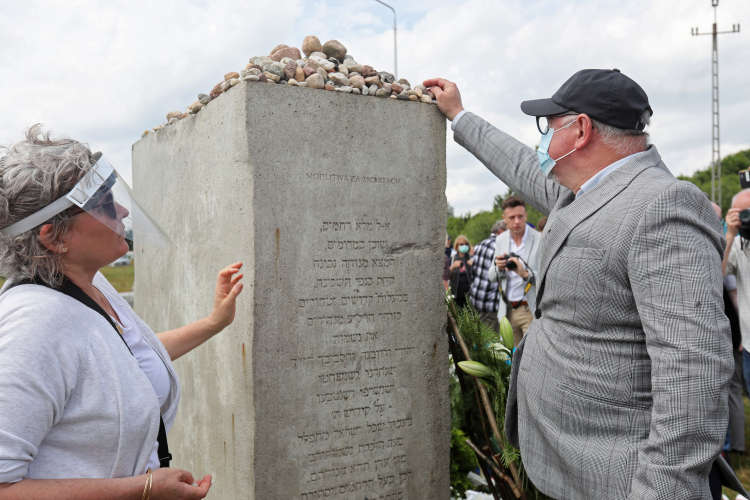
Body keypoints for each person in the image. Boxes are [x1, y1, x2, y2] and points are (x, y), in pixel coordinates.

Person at [424, 69, 744, 498]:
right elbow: (519, 163)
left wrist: (662, 490)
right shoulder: (583, 191)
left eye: (548, 126)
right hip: (570, 465)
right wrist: (459, 115)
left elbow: (692, 371)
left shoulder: (661, 205)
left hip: (619, 478)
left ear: (580, 130)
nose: (542, 139)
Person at [0, 126, 244, 499]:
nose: (124, 210)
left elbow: (117, 362)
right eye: (103, 202)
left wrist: (213, 323)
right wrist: (145, 488)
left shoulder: (89, 284)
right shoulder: (34, 324)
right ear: (54, 237)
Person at [713, 202, 745, 455]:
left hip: (733, 330)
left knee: (731, 389)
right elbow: (723, 280)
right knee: (731, 389)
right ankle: (732, 449)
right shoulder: (730, 244)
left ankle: (732, 448)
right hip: (737, 332)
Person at [488, 196, 540, 347]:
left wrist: (525, 274)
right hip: (507, 310)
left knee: (530, 357)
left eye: (520, 216)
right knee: (511, 359)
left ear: (526, 216)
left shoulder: (539, 238)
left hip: (529, 308)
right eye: (512, 217)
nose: (516, 221)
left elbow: (548, 277)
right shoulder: (500, 240)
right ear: (504, 218)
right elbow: (491, 276)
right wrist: (499, 268)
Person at [468, 220, 506, 332]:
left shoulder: (481, 244)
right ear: (501, 231)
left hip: (477, 297)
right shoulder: (498, 246)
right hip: (489, 301)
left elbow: (474, 271)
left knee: (480, 332)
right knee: (489, 340)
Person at [448, 235, 473, 308]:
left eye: (466, 244)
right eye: (461, 244)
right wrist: (452, 267)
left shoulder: (471, 258)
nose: (464, 246)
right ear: (457, 246)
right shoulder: (452, 259)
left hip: (469, 293)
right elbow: (446, 276)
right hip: (456, 293)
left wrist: (474, 265)